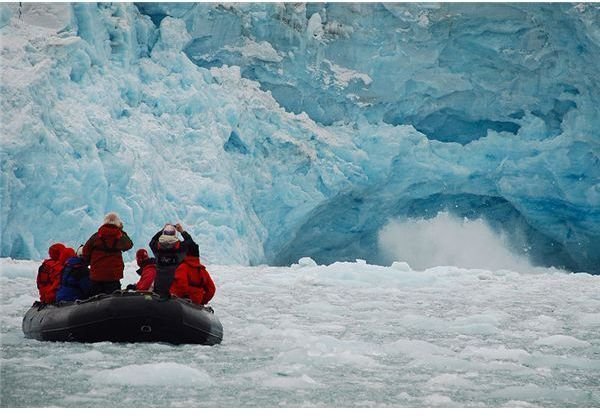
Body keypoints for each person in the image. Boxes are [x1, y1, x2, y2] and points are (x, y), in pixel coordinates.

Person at [82, 212, 133, 296]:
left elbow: (86, 251)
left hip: (96, 275)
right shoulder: (120, 236)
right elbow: (129, 245)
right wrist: (121, 230)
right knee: (113, 299)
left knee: (94, 300)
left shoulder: (96, 236)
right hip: (113, 276)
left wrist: (90, 263)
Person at [149, 223, 192, 297]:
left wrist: (161, 230)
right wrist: (182, 231)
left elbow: (152, 241)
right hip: (173, 286)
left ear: (164, 233)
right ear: (174, 234)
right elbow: (189, 242)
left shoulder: (157, 247)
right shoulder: (180, 248)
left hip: (159, 284)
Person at [172, 238, 216, 305]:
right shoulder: (202, 270)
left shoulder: (183, 267)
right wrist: (202, 301)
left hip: (181, 302)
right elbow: (211, 289)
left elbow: (181, 286)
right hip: (197, 302)